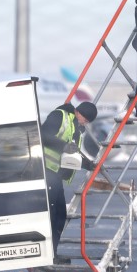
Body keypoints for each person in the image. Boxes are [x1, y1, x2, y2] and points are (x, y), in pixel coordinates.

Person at [41, 100, 98, 261]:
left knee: (59, 215)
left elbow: (73, 152)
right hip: (44, 171)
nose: (85, 123)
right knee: (51, 216)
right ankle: (47, 255)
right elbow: (43, 135)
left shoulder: (76, 128)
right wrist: (63, 146)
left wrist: (89, 165)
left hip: (55, 175)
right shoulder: (60, 116)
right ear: (79, 112)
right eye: (85, 119)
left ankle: (52, 254)